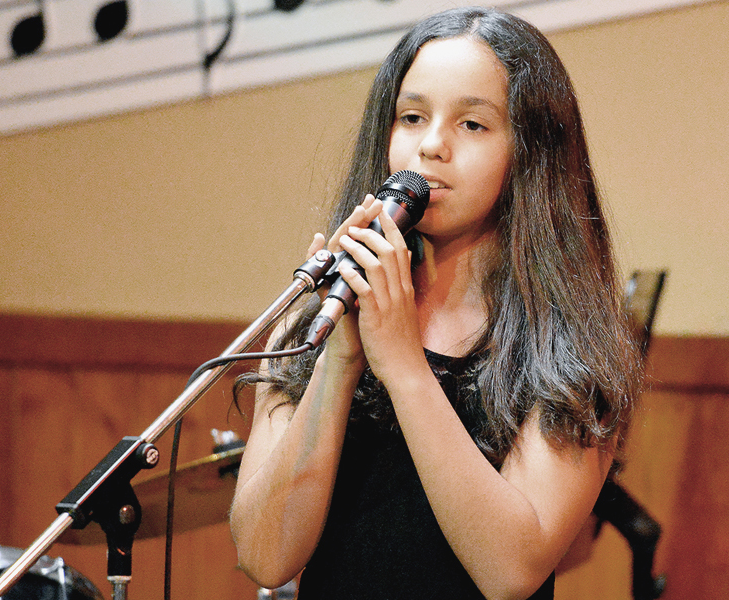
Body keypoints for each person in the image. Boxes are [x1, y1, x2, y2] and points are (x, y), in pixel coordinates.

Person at [228, 7, 642, 600]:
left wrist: (401, 365)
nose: (431, 146)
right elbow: (266, 559)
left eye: (472, 125)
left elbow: (511, 571)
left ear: (530, 152)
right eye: (412, 116)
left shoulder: (570, 344)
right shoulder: (313, 319)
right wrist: (341, 360)